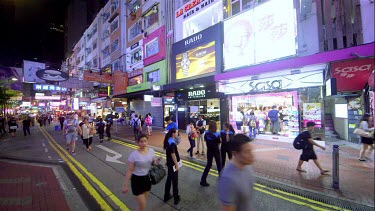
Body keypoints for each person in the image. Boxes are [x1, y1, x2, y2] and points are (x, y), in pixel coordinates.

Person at [122, 134, 161, 211]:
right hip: (136, 181)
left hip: (146, 179)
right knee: (142, 205)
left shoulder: (151, 151)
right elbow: (130, 170)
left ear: (147, 141)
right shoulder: (133, 155)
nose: (143, 143)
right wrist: (125, 185)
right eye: (141, 142)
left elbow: (153, 163)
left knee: (142, 206)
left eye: (145, 141)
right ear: (137, 142)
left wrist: (157, 161)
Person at [218, 134, 255, 211]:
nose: (252, 155)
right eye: (247, 152)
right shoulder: (228, 178)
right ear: (235, 154)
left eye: (250, 150)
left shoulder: (247, 166)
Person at [200, 121, 222, 187]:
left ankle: (203, 180)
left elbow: (205, 140)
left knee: (208, 165)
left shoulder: (206, 133)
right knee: (219, 165)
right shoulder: (217, 134)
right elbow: (219, 142)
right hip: (216, 150)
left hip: (209, 150)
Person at [163, 128, 181, 205]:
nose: (177, 134)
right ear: (173, 134)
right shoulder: (172, 143)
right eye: (176, 132)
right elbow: (173, 154)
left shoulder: (168, 140)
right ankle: (176, 198)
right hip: (173, 164)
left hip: (169, 163)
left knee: (169, 179)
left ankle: (166, 195)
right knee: (175, 181)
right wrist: (176, 164)